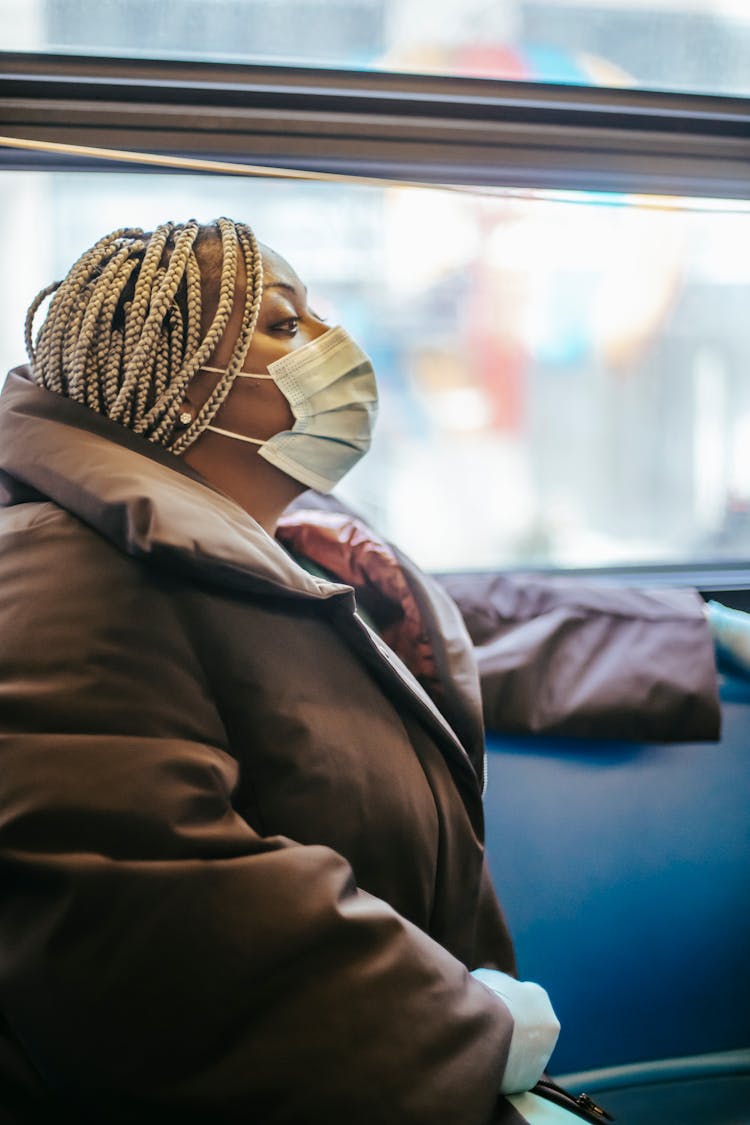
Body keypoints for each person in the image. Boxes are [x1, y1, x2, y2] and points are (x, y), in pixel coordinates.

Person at [0, 218, 565, 1124]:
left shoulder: (288, 550)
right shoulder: (63, 572)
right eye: (284, 323)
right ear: (181, 387)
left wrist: (696, 626)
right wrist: (472, 1028)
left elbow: (462, 626)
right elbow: (157, 911)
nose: (335, 348)